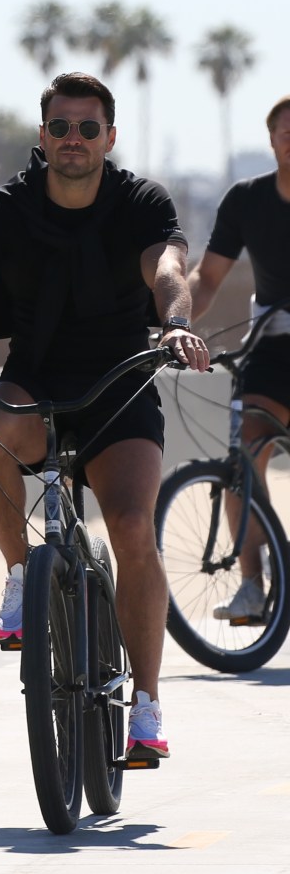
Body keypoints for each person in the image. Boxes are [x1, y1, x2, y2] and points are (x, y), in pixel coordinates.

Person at [0, 71, 210, 759]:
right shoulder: (6, 207)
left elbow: (168, 268)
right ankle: (20, 575)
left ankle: (148, 706)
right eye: (61, 128)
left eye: (88, 128)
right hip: (34, 379)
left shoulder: (139, 202)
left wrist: (176, 324)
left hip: (121, 381)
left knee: (131, 527)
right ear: (43, 136)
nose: (74, 140)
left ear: (110, 137)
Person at [188, 96, 290, 623]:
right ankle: (253, 584)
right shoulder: (246, 200)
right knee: (241, 459)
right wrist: (174, 319)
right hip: (271, 347)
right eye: (286, 133)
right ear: (272, 140)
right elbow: (207, 278)